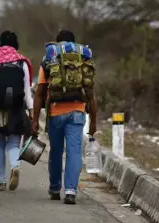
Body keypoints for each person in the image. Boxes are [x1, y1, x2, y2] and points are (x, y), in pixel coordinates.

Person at [32, 30, 98, 205]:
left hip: (55, 112)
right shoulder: (83, 56)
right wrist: (94, 122)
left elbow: (40, 93)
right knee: (74, 152)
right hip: (78, 111)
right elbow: (91, 93)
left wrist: (34, 120)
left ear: (57, 42)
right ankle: (70, 191)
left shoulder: (50, 56)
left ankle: (54, 188)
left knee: (56, 151)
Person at [0, 30, 33, 192]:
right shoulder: (22, 62)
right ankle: (15, 166)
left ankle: (2, 181)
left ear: (0, 43)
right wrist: (32, 112)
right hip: (17, 107)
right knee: (13, 142)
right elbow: (27, 90)